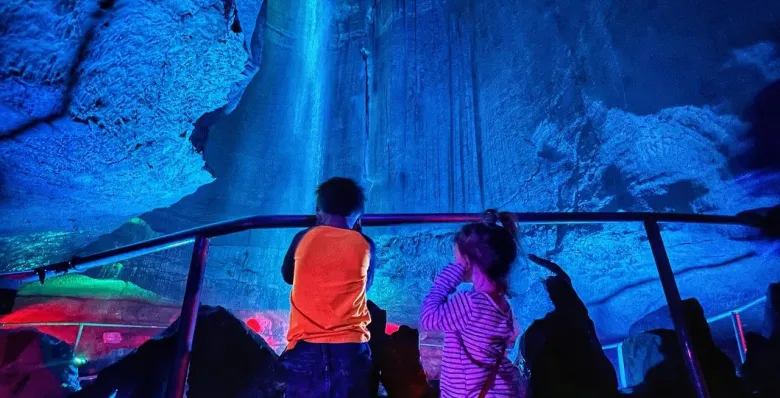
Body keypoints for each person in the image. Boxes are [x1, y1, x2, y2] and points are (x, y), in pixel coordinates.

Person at [277, 177, 376, 398]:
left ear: (318, 211)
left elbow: (287, 276)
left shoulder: (303, 237)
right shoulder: (367, 244)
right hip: (351, 349)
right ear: (357, 216)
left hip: (305, 348)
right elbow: (365, 287)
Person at [420, 210, 524, 398]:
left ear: (467, 261)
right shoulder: (501, 304)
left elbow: (428, 319)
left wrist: (447, 279)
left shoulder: (470, 303)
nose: (455, 263)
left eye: (456, 259)